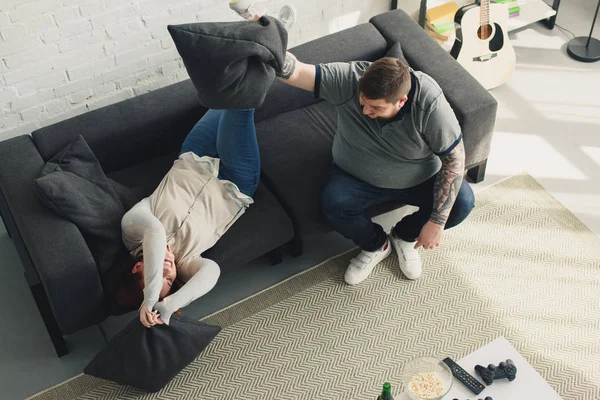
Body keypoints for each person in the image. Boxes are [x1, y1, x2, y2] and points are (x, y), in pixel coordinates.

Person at [275, 52, 475, 285]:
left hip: (418, 177)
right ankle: (377, 244)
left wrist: (437, 222)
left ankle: (404, 236)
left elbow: (454, 160)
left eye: (376, 107)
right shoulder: (349, 79)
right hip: (355, 175)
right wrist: (269, 46)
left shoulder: (429, 105)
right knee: (333, 205)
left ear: (401, 101)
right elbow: (297, 71)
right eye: (363, 102)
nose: (365, 111)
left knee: (462, 203)